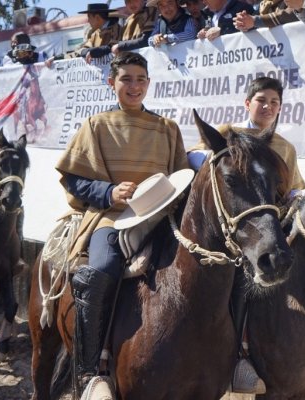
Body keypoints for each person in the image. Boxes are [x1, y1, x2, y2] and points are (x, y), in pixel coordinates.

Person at [55, 52, 190, 392]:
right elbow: (73, 179)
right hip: (111, 217)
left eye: (140, 79)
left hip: (161, 216)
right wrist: (109, 191)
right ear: (111, 83)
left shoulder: (167, 128)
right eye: (126, 79)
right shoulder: (96, 126)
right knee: (101, 269)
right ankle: (88, 369)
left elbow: (181, 178)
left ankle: (238, 355)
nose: (134, 86)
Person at [186, 76, 305, 393]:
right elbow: (195, 158)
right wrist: (221, 157)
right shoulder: (227, 134)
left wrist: (297, 198)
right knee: (240, 281)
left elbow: (294, 187)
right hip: (236, 227)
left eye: (274, 103)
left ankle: (260, 354)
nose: (267, 107)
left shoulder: (284, 146)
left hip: (272, 225)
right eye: (261, 100)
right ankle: (234, 357)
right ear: (247, 102)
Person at [45, 3, 123, 67]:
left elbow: (113, 48)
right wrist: (58, 58)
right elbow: (80, 51)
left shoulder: (116, 30)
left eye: (89, 17)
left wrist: (96, 51)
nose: (88, 20)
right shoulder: (95, 34)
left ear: (97, 18)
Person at [233, 0, 298, 32]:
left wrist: (254, 21)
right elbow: (253, 22)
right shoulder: (264, 4)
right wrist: (243, 24)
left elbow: (291, 14)